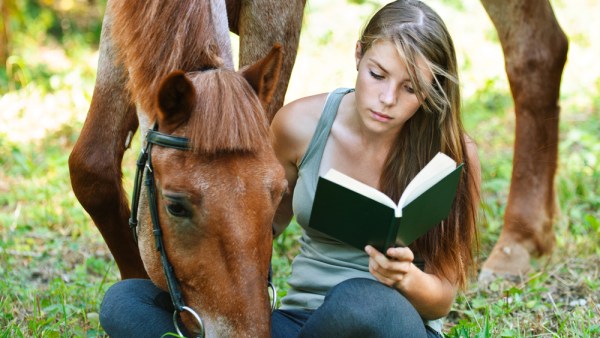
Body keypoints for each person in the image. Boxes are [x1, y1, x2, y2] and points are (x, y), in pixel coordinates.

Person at [99, 1, 480, 337]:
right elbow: (260, 224)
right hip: (300, 325)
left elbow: (442, 300)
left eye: (410, 88)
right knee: (125, 301)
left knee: (363, 302)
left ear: (431, 91)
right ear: (358, 55)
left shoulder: (450, 155)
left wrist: (406, 279)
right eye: (377, 75)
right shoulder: (301, 124)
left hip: (390, 323)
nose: (387, 99)